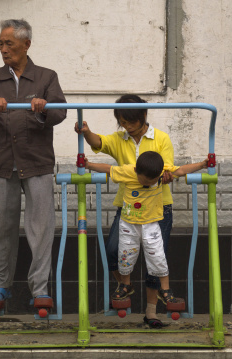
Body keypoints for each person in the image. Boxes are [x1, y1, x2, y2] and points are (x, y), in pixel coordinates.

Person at [0, 19, 67, 309]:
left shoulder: (46, 77)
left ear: (26, 44)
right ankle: (1, 286)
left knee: (41, 229)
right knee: (0, 226)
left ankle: (40, 289)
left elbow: (60, 112)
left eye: (8, 43)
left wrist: (43, 110)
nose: (3, 49)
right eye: (0, 43)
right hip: (3, 163)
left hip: (36, 163)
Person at [74, 94, 179, 328]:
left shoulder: (161, 138)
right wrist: (85, 131)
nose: (127, 126)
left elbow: (169, 168)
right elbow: (99, 143)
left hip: (158, 207)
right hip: (128, 207)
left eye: (131, 121)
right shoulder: (120, 138)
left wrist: (168, 176)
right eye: (122, 121)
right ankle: (124, 284)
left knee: (155, 259)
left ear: (143, 116)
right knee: (113, 249)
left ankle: (151, 312)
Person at [85, 152, 208, 305]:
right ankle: (125, 284)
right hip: (128, 224)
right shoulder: (129, 171)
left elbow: (182, 170)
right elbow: (109, 169)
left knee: (157, 255)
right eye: (144, 181)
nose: (148, 184)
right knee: (125, 255)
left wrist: (202, 164)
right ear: (136, 170)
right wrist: (88, 165)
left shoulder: (162, 172)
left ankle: (165, 289)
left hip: (151, 224)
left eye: (153, 182)